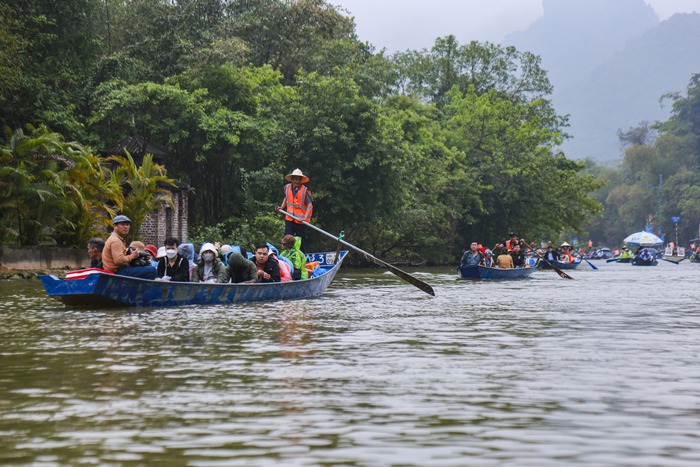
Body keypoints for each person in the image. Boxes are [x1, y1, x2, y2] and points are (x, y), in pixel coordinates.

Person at [102, 215, 157, 279]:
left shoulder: (116, 239)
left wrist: (138, 254)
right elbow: (119, 260)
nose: (126, 227)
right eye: (122, 224)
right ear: (115, 226)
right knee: (152, 270)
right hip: (118, 271)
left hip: (119, 270)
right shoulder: (115, 240)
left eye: (127, 225)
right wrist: (132, 256)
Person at [279, 168, 313, 252]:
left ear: (301, 180)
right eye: (295, 179)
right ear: (292, 179)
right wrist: (281, 207)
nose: (297, 181)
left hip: (301, 221)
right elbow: (286, 198)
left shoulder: (305, 191)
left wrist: (304, 218)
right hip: (290, 218)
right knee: (287, 239)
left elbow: (310, 206)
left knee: (300, 241)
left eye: (299, 179)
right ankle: (286, 258)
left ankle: (300, 259)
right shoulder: (287, 187)